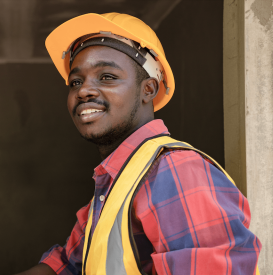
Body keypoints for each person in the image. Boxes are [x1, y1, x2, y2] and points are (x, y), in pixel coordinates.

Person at [16, 13, 261, 275]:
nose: (83, 91)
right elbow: (66, 266)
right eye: (76, 81)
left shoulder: (173, 171)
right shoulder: (115, 184)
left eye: (107, 77)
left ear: (148, 90)